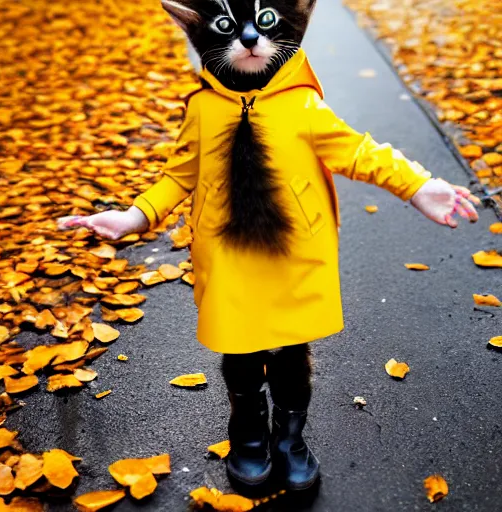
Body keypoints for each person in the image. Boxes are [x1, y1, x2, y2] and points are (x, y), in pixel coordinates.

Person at [59, 0, 479, 492]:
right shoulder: (202, 108)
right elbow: (179, 174)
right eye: (231, 29)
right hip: (228, 255)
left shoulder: (301, 104)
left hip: (293, 255)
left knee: (290, 353)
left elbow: (359, 151)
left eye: (264, 25)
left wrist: (417, 185)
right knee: (239, 349)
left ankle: (290, 439)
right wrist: (134, 216)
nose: (251, 39)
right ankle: (249, 434)